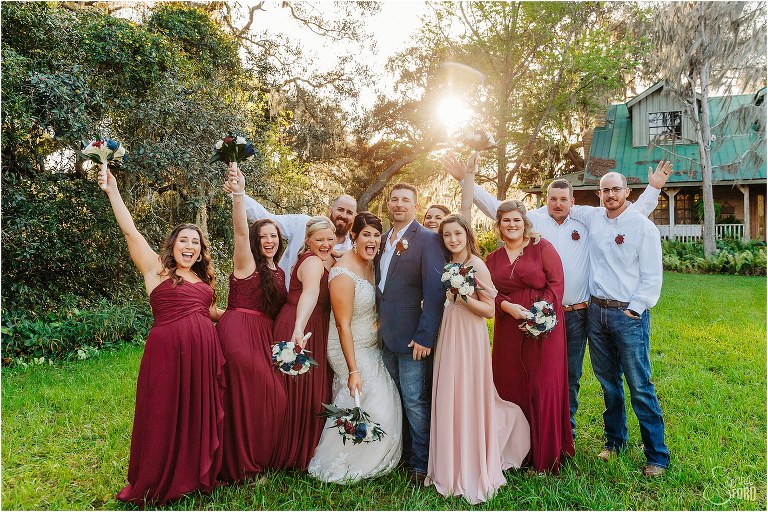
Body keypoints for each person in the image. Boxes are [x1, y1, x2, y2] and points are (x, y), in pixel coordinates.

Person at [443, 155, 671, 438]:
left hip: (579, 313)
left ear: (573, 201)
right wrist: (465, 180)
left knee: (571, 376)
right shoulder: (534, 220)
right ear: (546, 200)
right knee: (540, 374)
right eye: (553, 199)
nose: (558, 204)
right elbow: (497, 209)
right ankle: (535, 429)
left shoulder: (588, 219)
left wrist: (654, 189)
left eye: (564, 199)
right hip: (537, 312)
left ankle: (567, 430)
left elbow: (629, 217)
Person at [99, 169, 225, 507]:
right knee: (162, 411)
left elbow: (214, 315)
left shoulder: (204, 283)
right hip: (166, 353)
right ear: (173, 245)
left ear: (201, 252)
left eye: (195, 242)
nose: (189, 246)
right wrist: (113, 191)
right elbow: (130, 230)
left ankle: (191, 473)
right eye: (184, 240)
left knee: (194, 413)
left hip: (202, 359)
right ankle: (156, 478)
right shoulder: (156, 269)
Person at [568, 172, 669, 477]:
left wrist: (635, 310)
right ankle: (615, 441)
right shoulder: (594, 217)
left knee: (640, 385)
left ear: (627, 192)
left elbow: (652, 275)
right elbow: (556, 206)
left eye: (616, 189)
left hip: (628, 315)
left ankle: (657, 456)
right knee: (608, 383)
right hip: (596, 313)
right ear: (599, 194)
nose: (610, 194)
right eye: (605, 190)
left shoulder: (642, 227)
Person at [426, 214, 530, 504]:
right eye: (447, 235)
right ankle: (449, 463)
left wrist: (460, 297)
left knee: (467, 394)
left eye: (457, 233)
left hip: (469, 336)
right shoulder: (450, 266)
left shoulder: (477, 265)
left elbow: (489, 311)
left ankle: (471, 463)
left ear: (466, 234)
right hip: (450, 332)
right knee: (449, 393)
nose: (453, 239)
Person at [308, 212, 403, 483]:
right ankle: (344, 458)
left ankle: (372, 452)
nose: (372, 240)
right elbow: (342, 326)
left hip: (371, 344)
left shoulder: (374, 265)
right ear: (353, 236)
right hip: (346, 348)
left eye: (376, 235)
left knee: (385, 400)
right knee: (377, 398)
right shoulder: (342, 274)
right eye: (366, 235)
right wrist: (352, 371)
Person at [485, 200, 574, 473]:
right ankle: (515, 452)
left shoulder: (542, 248)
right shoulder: (493, 259)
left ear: (525, 223)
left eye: (516, 220)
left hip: (544, 328)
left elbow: (556, 285)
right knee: (509, 385)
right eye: (506, 220)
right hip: (508, 328)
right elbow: (488, 292)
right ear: (498, 226)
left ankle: (545, 454)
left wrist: (539, 317)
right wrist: (506, 306)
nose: (511, 225)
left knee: (541, 385)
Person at [216, 164, 289, 482]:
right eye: (263, 236)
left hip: (264, 337)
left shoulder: (281, 271)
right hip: (239, 333)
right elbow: (240, 232)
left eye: (273, 235)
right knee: (255, 395)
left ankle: (251, 459)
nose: (268, 240)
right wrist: (238, 194)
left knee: (271, 397)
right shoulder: (246, 263)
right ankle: (243, 467)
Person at [376, 183, 445, 486]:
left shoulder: (428, 239)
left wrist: (425, 336)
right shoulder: (381, 240)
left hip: (413, 337)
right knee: (394, 397)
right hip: (384, 335)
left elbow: (435, 292)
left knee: (415, 399)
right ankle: (402, 453)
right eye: (394, 200)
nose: (399, 205)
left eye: (406, 200)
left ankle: (422, 461)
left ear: (416, 206)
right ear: (388, 204)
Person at [271, 216, 336, 470]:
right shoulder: (311, 262)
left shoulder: (324, 258)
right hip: (303, 324)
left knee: (303, 387)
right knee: (299, 389)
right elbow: (309, 293)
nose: (325, 244)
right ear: (307, 240)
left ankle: (300, 447)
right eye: (319, 239)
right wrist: (299, 325)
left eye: (330, 239)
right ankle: (291, 451)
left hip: (311, 323)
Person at [222, 183, 357, 288]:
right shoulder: (303, 223)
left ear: (354, 217)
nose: (343, 215)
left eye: (349, 212)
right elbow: (266, 218)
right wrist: (238, 194)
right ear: (330, 210)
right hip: (285, 303)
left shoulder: (352, 251)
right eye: (340, 209)